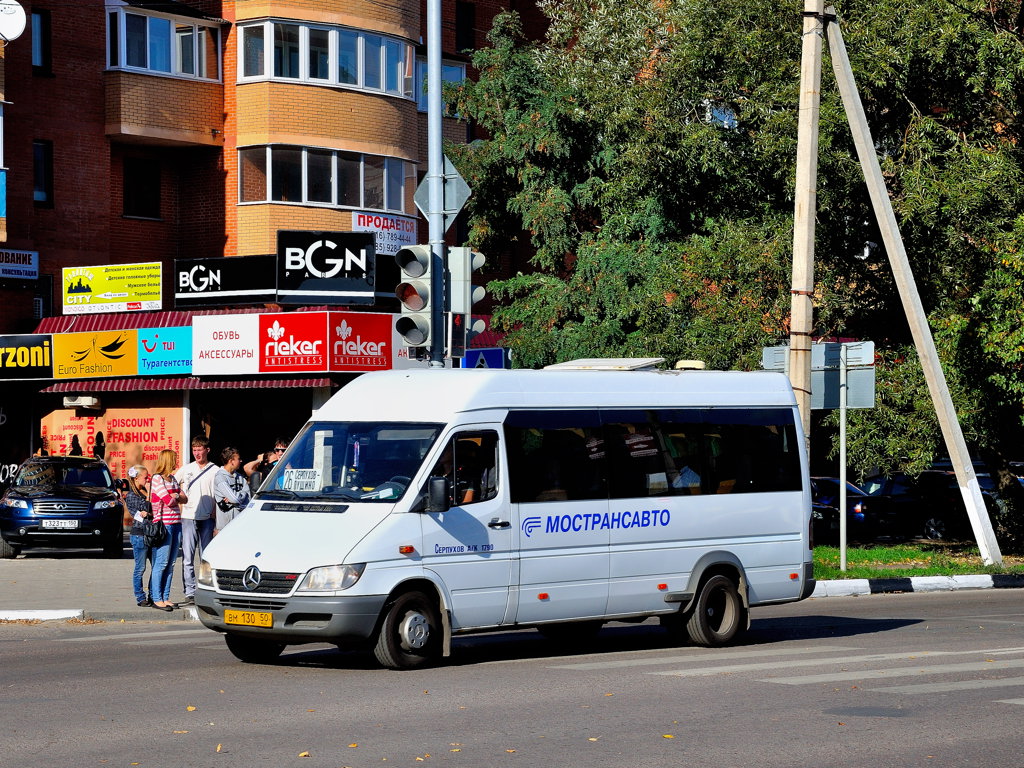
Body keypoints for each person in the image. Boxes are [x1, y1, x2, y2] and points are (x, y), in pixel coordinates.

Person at [174, 435, 217, 606]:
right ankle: (190, 592)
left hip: (207, 518)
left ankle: (206, 588)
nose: (197, 453)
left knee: (205, 557)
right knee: (187, 557)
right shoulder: (187, 469)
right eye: (194, 450)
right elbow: (172, 483)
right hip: (188, 517)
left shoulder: (215, 470)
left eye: (200, 450)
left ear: (207, 450)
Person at [150, 449, 187, 612]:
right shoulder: (157, 479)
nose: (176, 462)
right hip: (164, 525)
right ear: (167, 461)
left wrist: (176, 496)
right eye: (174, 459)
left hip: (176, 523)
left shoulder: (172, 479)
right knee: (162, 562)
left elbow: (184, 498)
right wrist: (177, 495)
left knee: (171, 563)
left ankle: (166, 596)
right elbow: (169, 501)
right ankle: (157, 598)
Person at [125, 465, 153, 607]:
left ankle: (153, 595)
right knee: (140, 568)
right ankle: (140, 597)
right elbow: (139, 516)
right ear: (136, 478)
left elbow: (150, 512)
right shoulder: (131, 496)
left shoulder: (146, 491)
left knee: (156, 566)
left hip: (152, 534)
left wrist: (148, 513)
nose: (148, 479)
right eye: (145, 477)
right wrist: (147, 510)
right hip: (139, 535)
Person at [213, 446, 250, 533]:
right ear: (231, 461)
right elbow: (235, 499)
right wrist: (240, 497)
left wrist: (234, 500)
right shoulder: (220, 477)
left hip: (240, 526)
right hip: (224, 528)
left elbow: (248, 503)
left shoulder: (241, 477)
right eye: (238, 459)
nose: (241, 461)